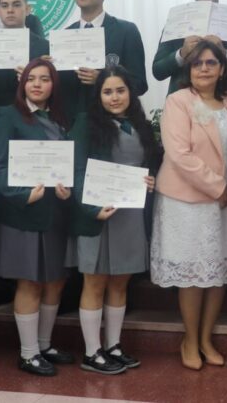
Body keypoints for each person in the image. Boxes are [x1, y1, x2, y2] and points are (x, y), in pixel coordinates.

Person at [150, 40, 227, 370]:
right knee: (192, 273)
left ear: (222, 68)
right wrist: (218, 187)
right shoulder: (178, 101)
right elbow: (178, 154)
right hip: (187, 200)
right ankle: (189, 339)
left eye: (211, 63)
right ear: (188, 70)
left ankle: (205, 338)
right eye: (197, 63)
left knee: (217, 273)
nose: (204, 68)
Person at [69, 66, 161, 376]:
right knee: (95, 282)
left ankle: (113, 346)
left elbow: (147, 166)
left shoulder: (141, 125)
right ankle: (92, 351)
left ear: (130, 93)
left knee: (121, 281)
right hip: (97, 215)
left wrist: (150, 181)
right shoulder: (85, 123)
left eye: (120, 90)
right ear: (98, 96)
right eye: (107, 91)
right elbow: (76, 169)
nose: (114, 97)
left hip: (130, 215)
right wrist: (91, 208)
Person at [0, 59, 75, 376]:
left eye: (45, 79)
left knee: (55, 281)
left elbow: (65, 167)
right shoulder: (7, 116)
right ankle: (28, 353)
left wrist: (67, 190)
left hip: (55, 213)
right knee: (30, 282)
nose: (37, 84)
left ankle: (44, 344)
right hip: (22, 213)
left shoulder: (60, 119)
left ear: (54, 85)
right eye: (31, 79)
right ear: (22, 83)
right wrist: (22, 194)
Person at [60, 0, 148, 115]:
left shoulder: (126, 31)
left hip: (113, 122)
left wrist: (103, 79)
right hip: (71, 123)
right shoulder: (64, 36)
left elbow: (140, 84)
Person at [0, 0, 51, 106]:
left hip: (30, 115)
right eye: (4, 6)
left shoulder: (45, 47)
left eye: (16, 5)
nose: (10, 10)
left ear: (28, 9)